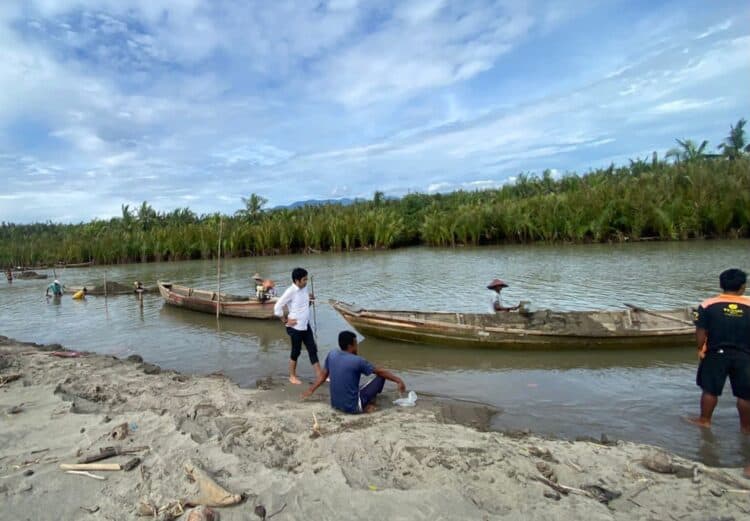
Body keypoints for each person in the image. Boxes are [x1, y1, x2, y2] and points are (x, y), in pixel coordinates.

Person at [687, 268, 750, 434]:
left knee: (710, 390)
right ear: (743, 287)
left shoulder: (707, 305)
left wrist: (700, 349)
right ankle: (746, 428)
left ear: (721, 285)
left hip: (716, 353)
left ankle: (705, 421)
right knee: (745, 395)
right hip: (745, 355)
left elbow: (701, 333)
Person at [302, 330, 406, 414]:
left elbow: (323, 376)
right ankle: (368, 405)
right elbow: (380, 372)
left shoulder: (332, 354)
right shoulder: (358, 361)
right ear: (350, 346)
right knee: (381, 376)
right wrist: (398, 380)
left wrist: (311, 390)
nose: (357, 347)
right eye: (356, 344)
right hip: (353, 407)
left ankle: (364, 402)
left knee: (360, 385)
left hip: (335, 404)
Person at [273, 267, 323, 385]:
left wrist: (310, 300)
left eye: (306, 279)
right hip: (295, 328)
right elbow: (277, 307)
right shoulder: (290, 291)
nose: (306, 282)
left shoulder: (304, 288)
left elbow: (303, 305)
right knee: (296, 352)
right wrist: (285, 321)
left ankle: (320, 375)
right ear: (297, 281)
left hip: (305, 325)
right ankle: (292, 376)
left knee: (312, 349)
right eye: (304, 280)